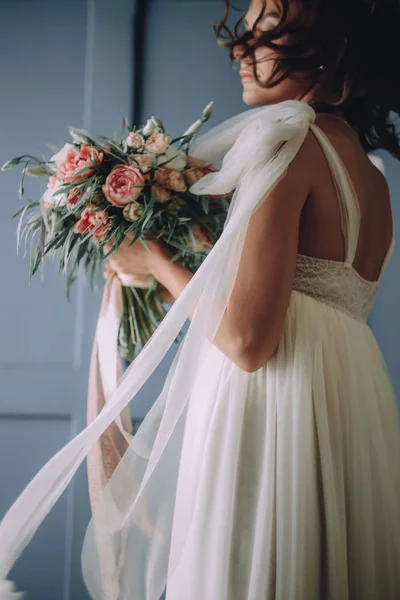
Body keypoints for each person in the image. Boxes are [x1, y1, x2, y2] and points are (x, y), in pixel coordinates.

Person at [0, 0, 399, 599]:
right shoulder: (373, 175)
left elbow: (246, 340)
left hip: (273, 412)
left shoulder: (287, 141)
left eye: (265, 35)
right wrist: (184, 273)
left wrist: (152, 257)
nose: (240, 51)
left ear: (330, 50)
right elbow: (305, 301)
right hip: (345, 404)